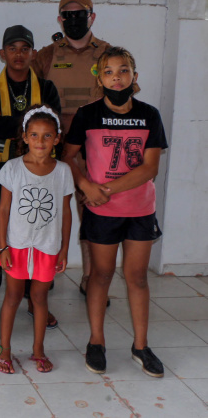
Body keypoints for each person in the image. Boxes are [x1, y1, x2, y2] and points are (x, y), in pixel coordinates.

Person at [63, 47, 168, 378]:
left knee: (137, 277)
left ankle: (141, 346)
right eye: (108, 71)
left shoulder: (149, 115)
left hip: (139, 210)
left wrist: (103, 189)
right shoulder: (87, 114)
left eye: (123, 70)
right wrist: (85, 184)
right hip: (101, 212)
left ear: (134, 76)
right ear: (99, 78)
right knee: (101, 275)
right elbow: (67, 157)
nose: (116, 77)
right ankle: (96, 341)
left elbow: (150, 168)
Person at [0, 25, 62, 329]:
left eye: (25, 48)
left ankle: (35, 298)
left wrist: (7, 121)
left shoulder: (47, 87)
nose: (19, 54)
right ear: (2, 53)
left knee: (37, 229)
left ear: (33, 53)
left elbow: (52, 127)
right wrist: (28, 121)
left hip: (38, 172)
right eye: (12, 48)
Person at [32, 0, 113, 302]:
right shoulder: (47, 55)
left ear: (92, 17)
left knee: (90, 209)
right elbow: (30, 95)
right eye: (68, 15)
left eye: (80, 14)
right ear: (60, 19)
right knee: (44, 207)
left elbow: (122, 98)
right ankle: (42, 271)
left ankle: (90, 276)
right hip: (53, 146)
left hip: (95, 147)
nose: (74, 19)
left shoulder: (108, 54)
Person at [0, 106, 74, 374]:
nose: (41, 141)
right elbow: (3, 210)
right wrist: (3, 246)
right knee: (13, 296)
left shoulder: (63, 171)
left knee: (40, 297)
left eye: (47, 135)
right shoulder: (13, 168)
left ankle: (38, 349)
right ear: (25, 137)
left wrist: (64, 249)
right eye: (35, 135)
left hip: (47, 247)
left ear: (57, 138)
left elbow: (66, 212)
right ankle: (4, 349)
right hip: (16, 246)